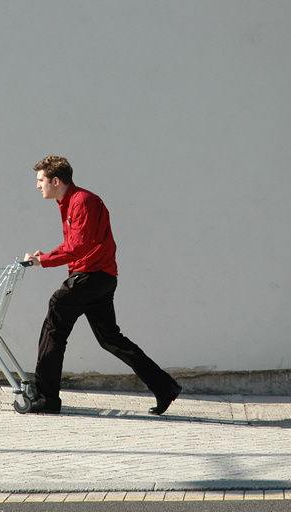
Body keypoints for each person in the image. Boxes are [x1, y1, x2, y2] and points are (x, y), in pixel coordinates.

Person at [24, 155, 182, 415]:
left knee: (56, 318)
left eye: (41, 180)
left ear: (56, 180)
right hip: (99, 277)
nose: (37, 185)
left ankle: (46, 397)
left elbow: (78, 247)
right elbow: (74, 244)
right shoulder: (71, 202)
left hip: (92, 276)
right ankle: (165, 387)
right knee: (110, 339)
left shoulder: (82, 201)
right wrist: (46, 256)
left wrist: (43, 262)